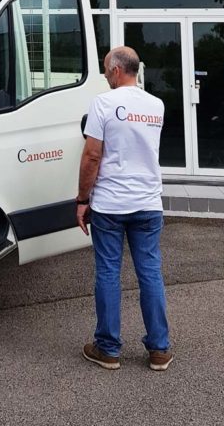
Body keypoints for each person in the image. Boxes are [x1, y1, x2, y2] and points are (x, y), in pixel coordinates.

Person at [76, 45, 172, 371]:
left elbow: (91, 156)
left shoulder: (103, 103)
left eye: (105, 70)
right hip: (147, 203)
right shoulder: (156, 106)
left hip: (110, 205)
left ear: (117, 70)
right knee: (150, 274)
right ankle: (159, 349)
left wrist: (81, 199)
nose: (105, 76)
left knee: (107, 273)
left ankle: (108, 349)